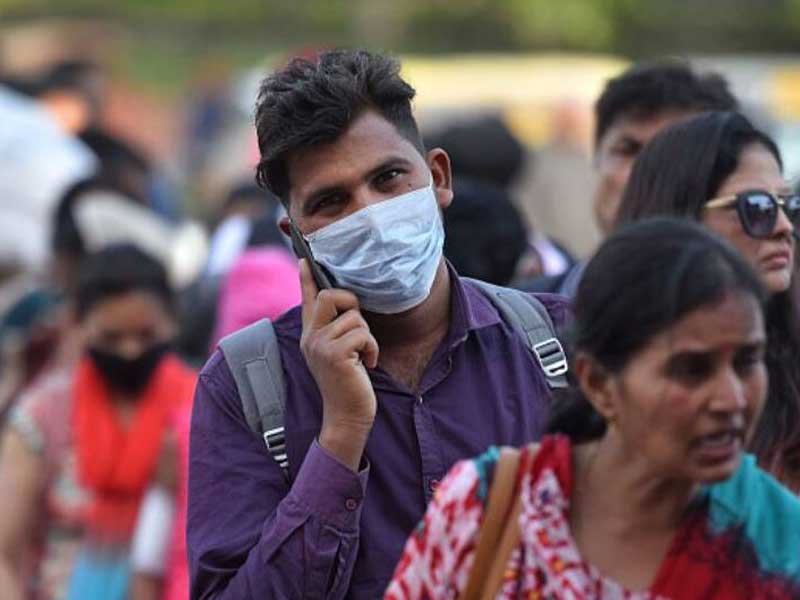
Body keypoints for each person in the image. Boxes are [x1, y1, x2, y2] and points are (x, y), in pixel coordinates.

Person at [187, 49, 570, 599]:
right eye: (331, 201)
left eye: (388, 178)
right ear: (295, 235)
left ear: (438, 177)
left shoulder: (554, 346)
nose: (369, 215)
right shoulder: (246, 386)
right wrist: (340, 436)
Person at [387, 219, 800, 599]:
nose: (732, 399)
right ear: (599, 383)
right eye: (691, 370)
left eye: (747, 361)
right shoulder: (488, 508)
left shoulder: (778, 548)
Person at [616, 111, 800, 492]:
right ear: (682, 215)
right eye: (757, 208)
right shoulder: (613, 369)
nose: (783, 228)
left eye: (789, 206)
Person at [0, 245, 196, 600]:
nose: (130, 351)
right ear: (80, 326)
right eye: (112, 337)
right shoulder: (43, 415)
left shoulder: (200, 409)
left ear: (172, 322)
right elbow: (4, 553)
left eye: (145, 335)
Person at [523, 60, 738, 296]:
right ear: (596, 157)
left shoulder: (756, 309)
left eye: (673, 154)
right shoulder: (518, 313)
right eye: (629, 150)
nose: (643, 173)